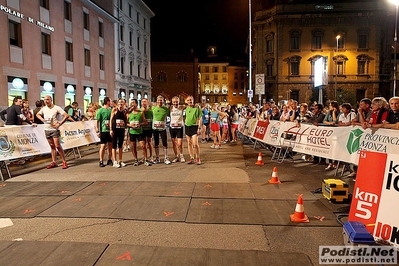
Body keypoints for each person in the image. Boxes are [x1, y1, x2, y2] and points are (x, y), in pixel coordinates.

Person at [36, 95, 69, 169]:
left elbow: (66, 115)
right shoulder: (44, 109)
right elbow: (37, 114)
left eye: (47, 99)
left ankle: (64, 162)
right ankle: (54, 162)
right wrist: (43, 120)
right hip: (47, 129)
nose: (46, 101)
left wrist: (59, 123)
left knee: (57, 145)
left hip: (54, 129)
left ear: (51, 100)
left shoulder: (56, 108)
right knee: (52, 146)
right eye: (44, 100)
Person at [126, 99, 152, 166]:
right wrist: (130, 125)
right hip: (132, 132)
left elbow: (145, 122)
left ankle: (146, 159)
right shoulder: (128, 114)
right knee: (133, 146)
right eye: (131, 103)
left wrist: (140, 124)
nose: (132, 104)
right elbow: (126, 123)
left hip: (139, 132)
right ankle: (136, 160)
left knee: (143, 146)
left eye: (133, 103)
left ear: (137, 104)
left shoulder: (141, 112)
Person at [152, 95, 171, 164]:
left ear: (163, 101)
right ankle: (157, 158)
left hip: (163, 128)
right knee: (156, 143)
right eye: (159, 100)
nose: (160, 102)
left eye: (161, 100)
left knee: (164, 143)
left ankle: (166, 158)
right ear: (156, 101)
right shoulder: (153, 108)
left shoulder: (166, 109)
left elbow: (171, 113)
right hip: (155, 129)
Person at [95, 96, 113, 167]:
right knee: (103, 146)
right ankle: (101, 160)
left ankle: (109, 159)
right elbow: (97, 121)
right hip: (103, 130)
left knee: (110, 145)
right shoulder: (100, 110)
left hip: (110, 130)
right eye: (110, 101)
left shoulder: (111, 110)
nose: (111, 102)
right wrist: (97, 131)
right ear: (107, 102)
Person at [184, 95, 202, 165]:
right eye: (188, 100)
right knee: (189, 143)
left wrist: (199, 128)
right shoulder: (186, 108)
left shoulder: (197, 108)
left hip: (194, 127)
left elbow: (200, 118)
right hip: (187, 126)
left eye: (190, 100)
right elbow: (184, 116)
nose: (189, 101)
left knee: (195, 144)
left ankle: (198, 158)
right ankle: (191, 157)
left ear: (193, 100)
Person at [109, 98, 127, 168]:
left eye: (122, 103)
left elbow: (125, 120)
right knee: (114, 145)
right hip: (115, 130)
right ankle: (115, 161)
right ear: (117, 103)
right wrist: (110, 129)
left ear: (124, 104)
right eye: (119, 102)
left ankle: (120, 160)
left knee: (120, 145)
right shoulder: (114, 110)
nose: (120, 104)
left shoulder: (124, 111)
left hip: (121, 130)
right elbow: (111, 120)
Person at [169, 96, 186, 163]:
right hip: (172, 127)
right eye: (174, 102)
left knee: (179, 143)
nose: (175, 103)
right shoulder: (170, 108)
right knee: (174, 143)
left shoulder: (181, 107)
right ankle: (176, 156)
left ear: (179, 102)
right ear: (172, 102)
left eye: (177, 102)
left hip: (179, 127)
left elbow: (189, 105)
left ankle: (181, 156)